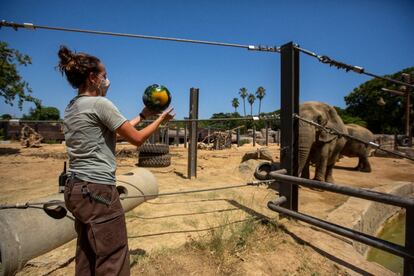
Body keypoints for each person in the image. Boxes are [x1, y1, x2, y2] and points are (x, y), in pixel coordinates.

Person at [57, 45, 174, 276]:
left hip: (75, 188)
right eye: (104, 75)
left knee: (88, 252)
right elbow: (137, 139)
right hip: (97, 190)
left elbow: (119, 130)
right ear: (92, 78)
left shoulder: (72, 106)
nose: (107, 80)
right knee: (113, 256)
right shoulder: (101, 104)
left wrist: (142, 115)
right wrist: (161, 119)